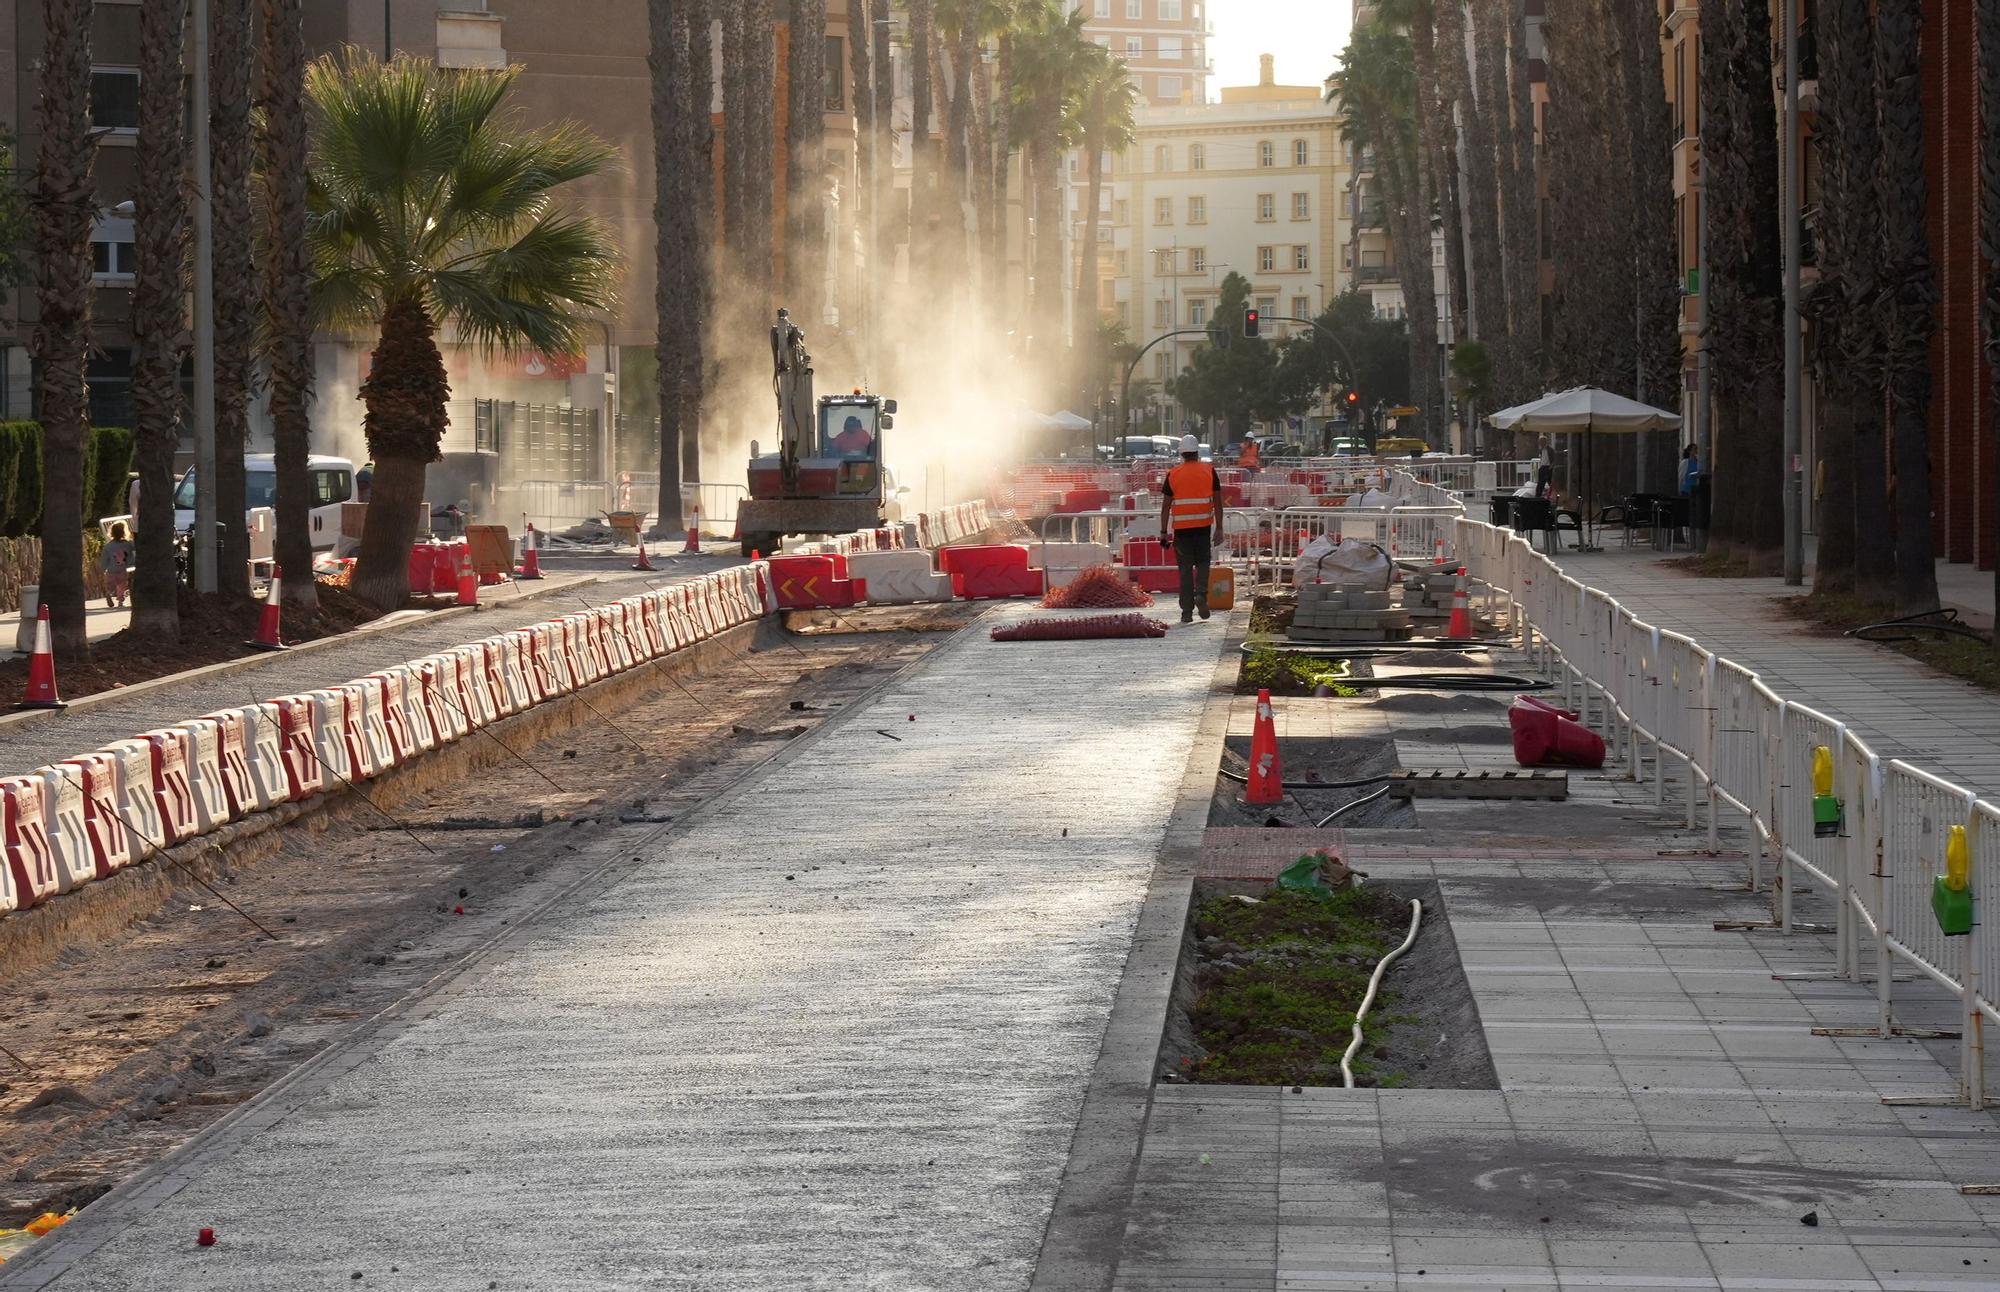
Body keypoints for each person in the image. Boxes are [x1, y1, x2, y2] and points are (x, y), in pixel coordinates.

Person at [1159, 434, 1224, 624]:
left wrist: (1163, 532)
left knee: (1185, 570)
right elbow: (1218, 503)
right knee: (1203, 562)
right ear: (1197, 452)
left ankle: (1186, 612)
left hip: (1182, 530)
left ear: (1182, 454)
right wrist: (1219, 528)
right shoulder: (1209, 471)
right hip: (1203, 527)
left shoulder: (1173, 474)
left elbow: (1165, 506)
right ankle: (1201, 595)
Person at [100, 522, 133, 609]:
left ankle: (109, 593)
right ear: (124, 532)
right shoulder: (128, 544)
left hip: (111, 570)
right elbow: (134, 547)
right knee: (122, 585)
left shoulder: (108, 546)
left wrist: (104, 568)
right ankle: (120, 602)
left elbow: (104, 558)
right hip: (122, 569)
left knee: (110, 585)